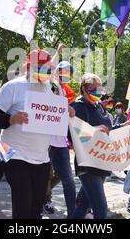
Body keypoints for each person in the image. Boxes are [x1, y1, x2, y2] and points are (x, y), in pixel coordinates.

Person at [0, 49, 74, 219]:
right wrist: (11, 118)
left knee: (35, 209)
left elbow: (58, 117)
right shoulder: (13, 86)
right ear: (28, 67)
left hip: (42, 158)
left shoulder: (53, 89)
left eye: (47, 69)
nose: (43, 73)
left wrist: (67, 110)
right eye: (39, 68)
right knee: (23, 205)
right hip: (15, 155)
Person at [70, 73, 130, 219]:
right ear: (85, 89)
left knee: (83, 207)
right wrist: (93, 130)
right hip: (88, 165)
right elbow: (71, 134)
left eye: (100, 88)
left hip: (101, 163)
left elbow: (107, 130)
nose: (99, 92)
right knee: (101, 210)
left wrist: (123, 126)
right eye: (95, 89)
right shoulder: (77, 107)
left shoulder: (99, 107)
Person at [43, 60, 77, 218]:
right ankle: (39, 206)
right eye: (63, 72)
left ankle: (72, 215)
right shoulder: (52, 85)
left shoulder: (65, 92)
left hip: (60, 143)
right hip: (45, 142)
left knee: (69, 181)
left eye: (69, 74)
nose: (66, 76)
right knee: (42, 177)